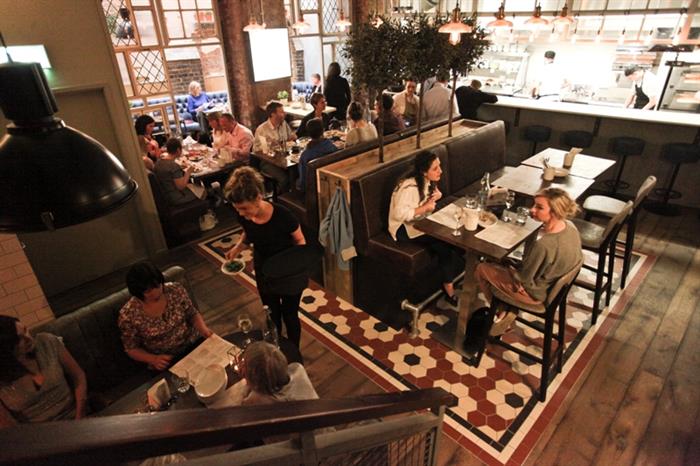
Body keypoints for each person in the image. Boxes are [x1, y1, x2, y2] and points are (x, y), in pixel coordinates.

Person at [475, 188, 582, 335]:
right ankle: (506, 308)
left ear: (555, 211)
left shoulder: (544, 245)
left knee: (481, 268)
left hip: (535, 294)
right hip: (551, 285)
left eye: (539, 207)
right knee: (505, 262)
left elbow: (524, 279)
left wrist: (511, 269)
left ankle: (503, 310)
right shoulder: (570, 227)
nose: (532, 210)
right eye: (534, 205)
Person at [224, 167, 306, 348]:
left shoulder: (284, 216)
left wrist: (296, 267)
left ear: (258, 197)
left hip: (288, 271)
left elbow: (300, 240)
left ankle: (294, 352)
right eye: (237, 209)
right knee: (271, 313)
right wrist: (238, 247)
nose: (241, 214)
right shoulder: (244, 216)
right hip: (264, 270)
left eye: (244, 208)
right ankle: (276, 349)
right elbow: (248, 232)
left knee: (290, 314)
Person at [388, 151, 464, 307]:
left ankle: (457, 273)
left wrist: (436, 197)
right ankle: (449, 288)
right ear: (424, 171)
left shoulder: (426, 180)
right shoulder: (410, 187)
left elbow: (427, 199)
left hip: (419, 223)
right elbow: (399, 214)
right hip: (404, 229)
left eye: (439, 166)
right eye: (435, 168)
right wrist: (425, 208)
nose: (440, 171)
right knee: (444, 244)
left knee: (453, 234)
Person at [118, 262, 214, 371]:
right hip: (166, 360)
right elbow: (131, 348)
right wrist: (153, 359)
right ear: (138, 292)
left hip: (193, 343)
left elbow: (192, 313)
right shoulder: (129, 315)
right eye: (148, 291)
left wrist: (203, 329)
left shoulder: (175, 290)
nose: (155, 292)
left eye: (157, 286)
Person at [0, 315, 87, 426]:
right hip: (39, 432)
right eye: (19, 339)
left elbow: (78, 376)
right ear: (5, 349)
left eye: (25, 330)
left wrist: (80, 417)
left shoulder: (46, 342)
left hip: (76, 417)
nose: (28, 338)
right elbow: (6, 425)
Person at [239, 341, 318, 406]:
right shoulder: (297, 368)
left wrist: (246, 386)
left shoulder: (255, 399)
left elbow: (242, 404)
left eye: (244, 364)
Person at [253, 102, 296, 193]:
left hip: (284, 159)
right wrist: (271, 146)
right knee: (285, 179)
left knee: (297, 173)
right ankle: (280, 198)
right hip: (268, 162)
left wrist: (292, 137)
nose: (284, 113)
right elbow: (259, 151)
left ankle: (292, 195)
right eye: (281, 112)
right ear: (273, 114)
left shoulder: (283, 124)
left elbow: (290, 137)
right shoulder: (262, 129)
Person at [153, 137, 202, 206]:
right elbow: (181, 186)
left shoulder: (158, 162)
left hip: (164, 196)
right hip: (176, 198)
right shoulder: (173, 166)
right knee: (202, 190)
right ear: (178, 150)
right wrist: (188, 172)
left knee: (195, 187)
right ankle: (205, 208)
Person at [298, 118, 338, 190]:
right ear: (323, 130)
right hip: (331, 182)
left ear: (308, 134)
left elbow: (303, 182)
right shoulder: (331, 146)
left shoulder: (305, 155)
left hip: (313, 188)